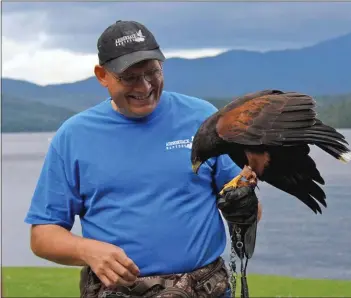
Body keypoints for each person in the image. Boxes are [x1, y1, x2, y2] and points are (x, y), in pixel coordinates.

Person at [24, 20, 262, 298]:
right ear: (102, 75)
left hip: (203, 290)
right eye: (130, 77)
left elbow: (246, 208)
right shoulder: (73, 136)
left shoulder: (203, 118)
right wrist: (86, 250)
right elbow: (43, 236)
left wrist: (245, 205)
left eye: (153, 72)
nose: (145, 85)